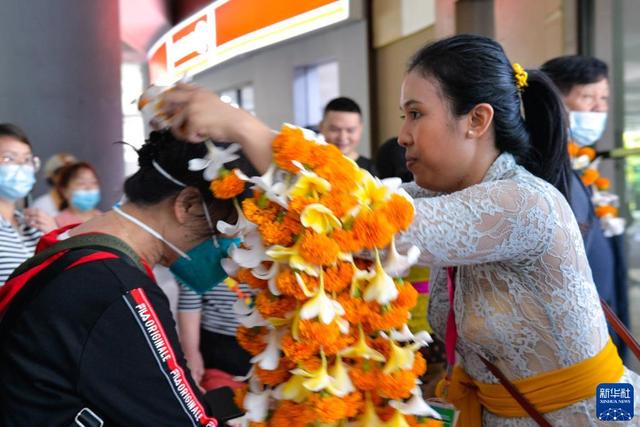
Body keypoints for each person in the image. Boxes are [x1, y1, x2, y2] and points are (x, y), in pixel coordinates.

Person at [156, 34, 639, 426]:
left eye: (416, 114)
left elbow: (357, 218)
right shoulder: (445, 194)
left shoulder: (523, 203)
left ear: (477, 120)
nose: (403, 134)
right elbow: (346, 198)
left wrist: (244, 127)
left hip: (596, 413)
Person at [0, 129, 240, 426]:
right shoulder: (122, 289)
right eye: (226, 228)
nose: (230, 249)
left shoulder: (71, 241)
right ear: (187, 204)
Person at [541, 56, 629, 354]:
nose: (600, 108)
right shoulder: (549, 171)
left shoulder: (580, 165)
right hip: (580, 334)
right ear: (555, 100)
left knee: (615, 398)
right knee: (605, 400)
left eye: (603, 98)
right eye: (588, 97)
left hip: (607, 319)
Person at [0, 123, 56, 286]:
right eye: (9, 158)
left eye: (26, 159)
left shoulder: (33, 225)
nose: (22, 167)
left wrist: (54, 237)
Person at [319, 97, 377, 175]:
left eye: (350, 130)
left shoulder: (371, 171)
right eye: (335, 129)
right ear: (322, 127)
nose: (342, 137)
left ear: (361, 129)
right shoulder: (308, 166)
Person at [54, 161, 103, 227]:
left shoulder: (104, 219)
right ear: (65, 191)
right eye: (81, 183)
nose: (89, 188)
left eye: (94, 182)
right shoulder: (56, 223)